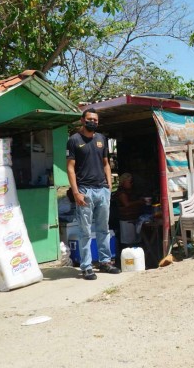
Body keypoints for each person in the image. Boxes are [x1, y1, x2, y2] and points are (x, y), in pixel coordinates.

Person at [67, 108, 120, 280]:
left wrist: (109, 186)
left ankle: (105, 262)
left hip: (102, 190)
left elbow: (106, 163)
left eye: (96, 120)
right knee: (85, 231)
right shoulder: (74, 140)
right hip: (85, 191)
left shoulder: (101, 139)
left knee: (103, 229)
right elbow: (70, 168)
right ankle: (86, 266)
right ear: (82, 120)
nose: (93, 122)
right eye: (90, 119)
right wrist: (76, 192)